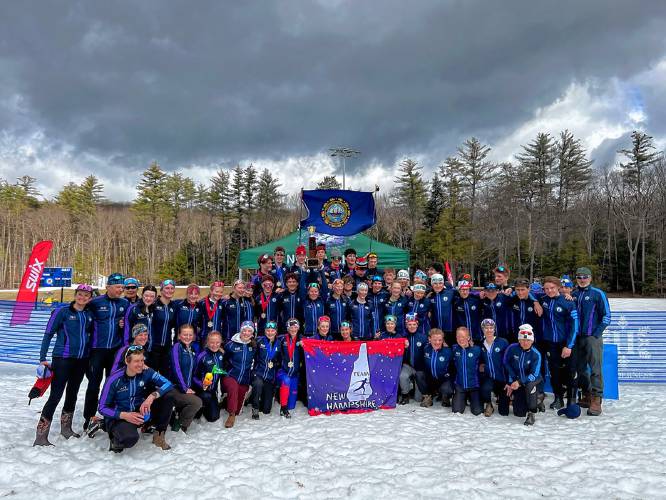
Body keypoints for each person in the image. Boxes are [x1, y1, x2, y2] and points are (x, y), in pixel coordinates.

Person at [34, 284, 94, 446]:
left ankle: (66, 429)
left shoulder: (89, 314)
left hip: (81, 360)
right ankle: (41, 436)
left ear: (90, 298)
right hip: (63, 359)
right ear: (75, 295)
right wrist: (42, 358)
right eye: (80, 294)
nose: (83, 298)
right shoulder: (62, 312)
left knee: (72, 393)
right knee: (55, 395)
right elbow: (48, 334)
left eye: (86, 295)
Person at [98, 347, 175, 451]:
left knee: (169, 396)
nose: (140, 364)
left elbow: (168, 383)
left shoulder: (146, 371)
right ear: (127, 361)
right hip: (121, 415)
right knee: (129, 439)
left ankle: (159, 433)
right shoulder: (113, 380)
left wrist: (151, 397)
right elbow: (102, 408)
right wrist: (124, 415)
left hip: (139, 410)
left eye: (142, 360)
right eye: (136, 361)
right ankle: (108, 430)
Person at [83, 273, 130, 432]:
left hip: (115, 352)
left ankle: (110, 416)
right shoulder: (95, 302)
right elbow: (80, 311)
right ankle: (88, 417)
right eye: (117, 287)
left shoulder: (125, 303)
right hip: (97, 351)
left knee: (112, 385)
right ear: (108, 287)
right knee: (93, 385)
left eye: (122, 287)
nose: (120, 290)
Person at [572, 266, 611, 416]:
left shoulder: (597, 293)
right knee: (580, 368)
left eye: (585, 277)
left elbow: (607, 316)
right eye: (579, 277)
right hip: (577, 338)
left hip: (592, 337)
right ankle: (587, 394)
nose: (582, 280)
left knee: (595, 368)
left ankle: (597, 398)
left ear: (590, 278)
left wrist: (596, 333)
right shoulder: (573, 294)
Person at [539, 276, 579, 410]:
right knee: (554, 372)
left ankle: (572, 400)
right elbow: (528, 295)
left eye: (552, 288)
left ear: (558, 288)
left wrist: (569, 346)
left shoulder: (568, 302)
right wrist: (534, 302)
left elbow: (575, 325)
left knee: (570, 371)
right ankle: (558, 398)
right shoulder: (543, 300)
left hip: (566, 343)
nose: (549, 291)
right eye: (546, 288)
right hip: (551, 343)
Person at [504, 324, 543, 425]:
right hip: (517, 379)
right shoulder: (512, 348)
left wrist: (520, 382)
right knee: (519, 413)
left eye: (528, 340)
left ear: (532, 340)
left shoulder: (536, 354)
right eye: (523, 340)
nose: (525, 343)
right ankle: (536, 401)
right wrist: (512, 380)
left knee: (530, 386)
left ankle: (532, 412)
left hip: (532, 379)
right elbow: (506, 363)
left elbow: (534, 374)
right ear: (519, 340)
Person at [169, 324, 203, 433]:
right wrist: (184, 388)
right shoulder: (177, 347)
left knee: (203, 398)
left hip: (187, 387)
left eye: (190, 335)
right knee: (197, 402)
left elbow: (193, 373)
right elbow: (176, 368)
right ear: (179, 336)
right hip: (176, 387)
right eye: (184, 334)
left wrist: (202, 384)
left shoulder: (192, 349)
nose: (187, 337)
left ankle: (179, 416)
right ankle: (181, 424)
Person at [222, 321, 256, 428]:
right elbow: (222, 356)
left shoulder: (254, 345)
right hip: (230, 376)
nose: (246, 333)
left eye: (249, 331)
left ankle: (228, 404)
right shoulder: (231, 344)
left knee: (238, 410)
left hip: (244, 379)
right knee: (233, 387)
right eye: (244, 330)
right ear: (240, 331)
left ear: (252, 333)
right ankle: (231, 415)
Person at [479, 318, 510, 417]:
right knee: (485, 388)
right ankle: (488, 404)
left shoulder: (503, 342)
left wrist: (509, 381)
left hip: (502, 379)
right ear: (482, 330)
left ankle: (502, 398)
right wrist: (481, 365)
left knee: (504, 412)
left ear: (494, 329)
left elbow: (509, 361)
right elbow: (479, 359)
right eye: (486, 328)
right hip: (490, 378)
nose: (488, 330)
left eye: (491, 328)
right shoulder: (481, 344)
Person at [192, 331, 225, 423]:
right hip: (201, 391)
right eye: (212, 342)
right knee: (206, 396)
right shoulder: (202, 356)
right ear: (207, 342)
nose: (214, 345)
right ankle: (198, 408)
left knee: (213, 417)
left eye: (217, 342)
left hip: (212, 391)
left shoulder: (221, 354)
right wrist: (201, 384)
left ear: (221, 342)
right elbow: (193, 376)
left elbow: (221, 370)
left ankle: (207, 407)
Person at [252, 321, 281, 419]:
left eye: (272, 330)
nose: (270, 332)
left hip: (270, 376)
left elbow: (280, 359)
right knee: (257, 384)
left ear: (276, 332)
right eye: (268, 330)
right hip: (259, 373)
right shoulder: (259, 341)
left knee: (266, 410)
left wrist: (275, 364)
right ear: (264, 331)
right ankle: (255, 407)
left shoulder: (279, 343)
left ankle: (264, 398)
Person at [451, 326, 483, 415]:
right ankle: (463, 398)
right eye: (458, 337)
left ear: (468, 338)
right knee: (457, 411)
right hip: (460, 385)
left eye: (463, 337)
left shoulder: (477, 349)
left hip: (474, 386)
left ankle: (472, 398)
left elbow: (484, 361)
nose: (461, 339)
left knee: (477, 412)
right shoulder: (454, 349)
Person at [399, 314, 428, 405]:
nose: (412, 326)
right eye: (409, 324)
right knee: (402, 376)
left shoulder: (423, 337)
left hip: (420, 368)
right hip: (408, 366)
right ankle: (405, 394)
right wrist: (405, 348)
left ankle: (416, 387)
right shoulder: (403, 337)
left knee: (418, 399)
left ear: (417, 324)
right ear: (406, 325)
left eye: (414, 324)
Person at [150, 279, 178, 375]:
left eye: (172, 288)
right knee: (151, 375)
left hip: (166, 347)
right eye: (167, 288)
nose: (169, 290)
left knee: (165, 376)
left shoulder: (174, 306)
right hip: (153, 346)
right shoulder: (153, 304)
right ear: (161, 290)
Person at [420, 329, 453, 408]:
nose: (437, 342)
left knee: (446, 388)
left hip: (443, 379)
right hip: (431, 379)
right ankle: (427, 397)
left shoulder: (448, 351)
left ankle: (445, 396)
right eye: (434, 340)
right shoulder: (426, 349)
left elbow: (453, 367)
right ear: (429, 339)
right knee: (419, 374)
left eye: (440, 340)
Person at [278, 318, 303, 418]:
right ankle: (283, 408)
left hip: (295, 374)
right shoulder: (282, 339)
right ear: (288, 329)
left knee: (291, 405)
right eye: (291, 327)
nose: (293, 329)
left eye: (295, 327)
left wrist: (304, 345)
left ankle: (285, 403)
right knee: (286, 381)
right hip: (283, 372)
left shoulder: (301, 339)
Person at [428, 273, 456, 347]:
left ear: (443, 283)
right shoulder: (430, 296)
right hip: (436, 330)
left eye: (440, 283)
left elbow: (464, 294)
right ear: (432, 284)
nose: (438, 286)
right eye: (435, 283)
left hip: (449, 330)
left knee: (448, 351)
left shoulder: (450, 293)